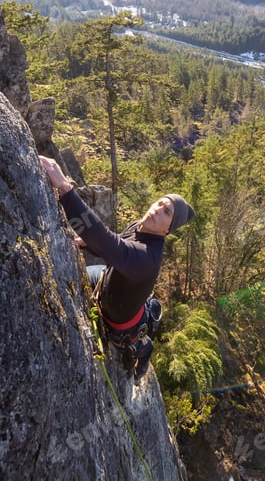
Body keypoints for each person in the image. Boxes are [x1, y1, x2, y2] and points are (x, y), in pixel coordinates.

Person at [39, 155, 195, 379]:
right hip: (108, 282)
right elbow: (109, 249)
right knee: (82, 274)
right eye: (160, 203)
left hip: (120, 323)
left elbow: (107, 242)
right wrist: (87, 244)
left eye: (166, 212)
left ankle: (143, 354)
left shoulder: (148, 257)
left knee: (133, 348)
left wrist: (65, 189)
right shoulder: (139, 226)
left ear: (167, 230)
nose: (158, 209)